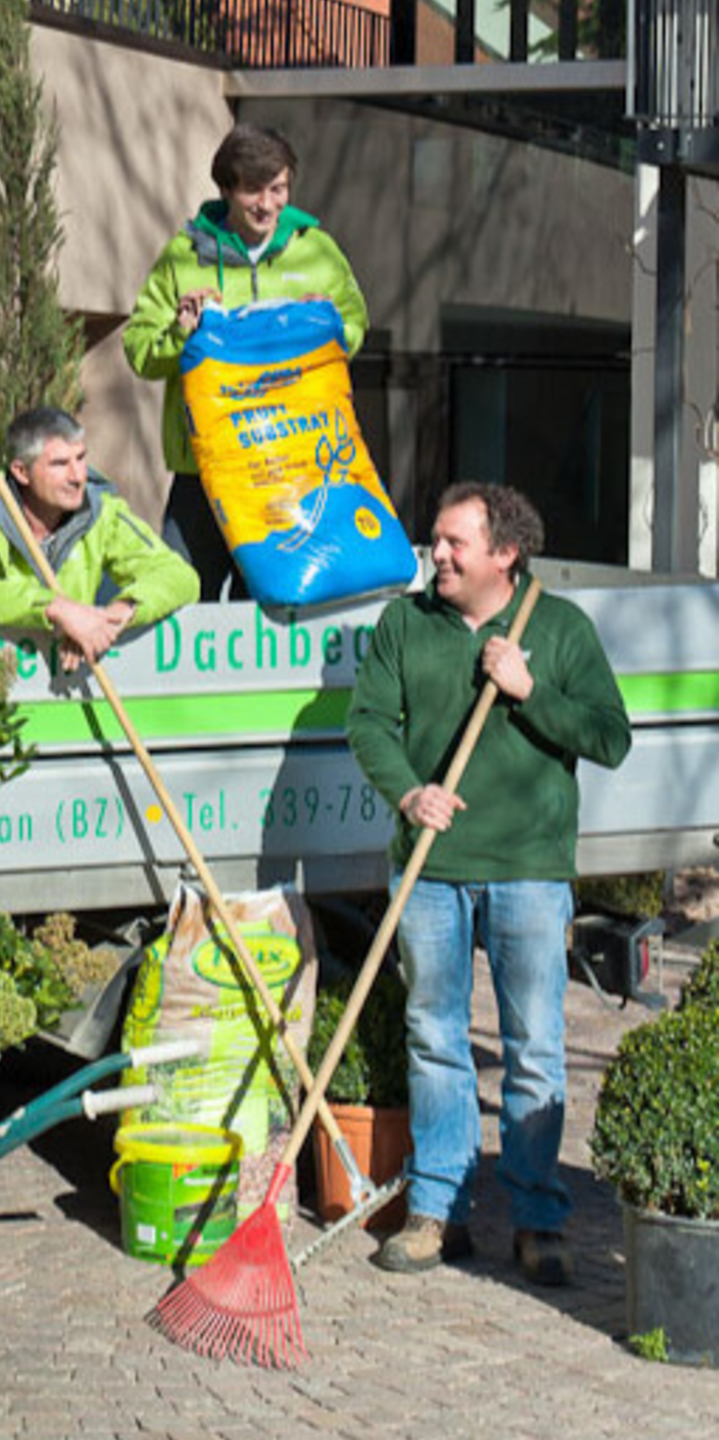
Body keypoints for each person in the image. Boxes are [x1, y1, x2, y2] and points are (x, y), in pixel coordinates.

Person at [345, 482, 629, 1286]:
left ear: (504, 553)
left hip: (529, 870)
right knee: (435, 1038)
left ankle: (539, 1216)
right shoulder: (407, 624)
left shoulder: (559, 629)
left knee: (534, 1048)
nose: (435, 554)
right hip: (431, 869)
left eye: (452, 543)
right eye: (435, 540)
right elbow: (368, 722)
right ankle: (439, 1211)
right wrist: (410, 791)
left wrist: (530, 691)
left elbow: (610, 737)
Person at [123, 124, 368, 601]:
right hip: (203, 474)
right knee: (179, 603)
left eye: (277, 188)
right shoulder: (182, 256)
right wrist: (180, 333)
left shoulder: (319, 251)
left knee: (273, 609)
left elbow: (355, 331)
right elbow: (138, 350)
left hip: (292, 472)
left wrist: (329, 326)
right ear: (226, 189)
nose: (268, 204)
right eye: (253, 189)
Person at [0, 407, 198, 668]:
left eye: (81, 458)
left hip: (72, 681)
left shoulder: (101, 510)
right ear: (21, 472)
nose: (78, 476)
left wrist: (115, 615)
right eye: (60, 464)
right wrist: (55, 609)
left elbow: (178, 575)